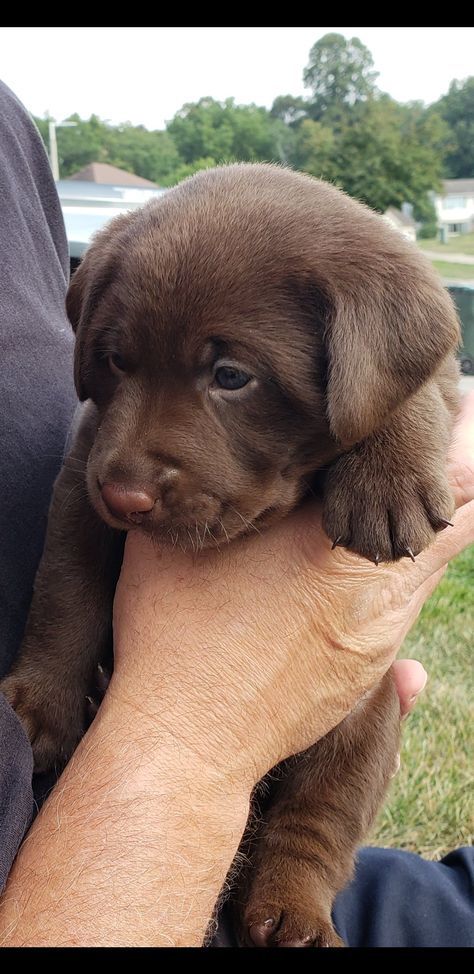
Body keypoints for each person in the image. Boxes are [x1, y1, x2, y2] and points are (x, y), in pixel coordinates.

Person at [0, 78, 472, 948]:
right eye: (117, 364)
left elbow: (424, 374)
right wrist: (50, 681)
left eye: (229, 376)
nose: (129, 471)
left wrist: (397, 432)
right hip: (98, 855)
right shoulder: (112, 438)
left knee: (368, 713)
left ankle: (298, 865)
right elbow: (84, 488)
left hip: (297, 765)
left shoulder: (366, 321)